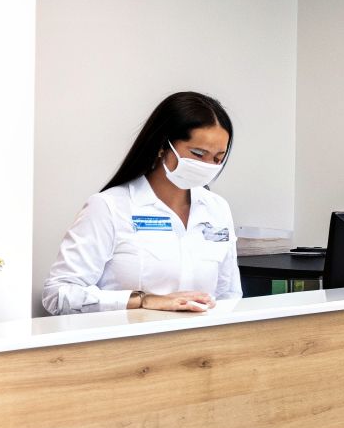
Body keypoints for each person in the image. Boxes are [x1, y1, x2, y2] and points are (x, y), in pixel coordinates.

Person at [42, 92, 241, 316]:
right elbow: (58, 295)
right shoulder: (109, 207)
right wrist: (142, 300)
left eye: (217, 158)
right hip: (129, 345)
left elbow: (229, 296)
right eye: (197, 154)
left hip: (199, 345)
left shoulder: (217, 209)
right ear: (162, 146)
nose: (207, 166)